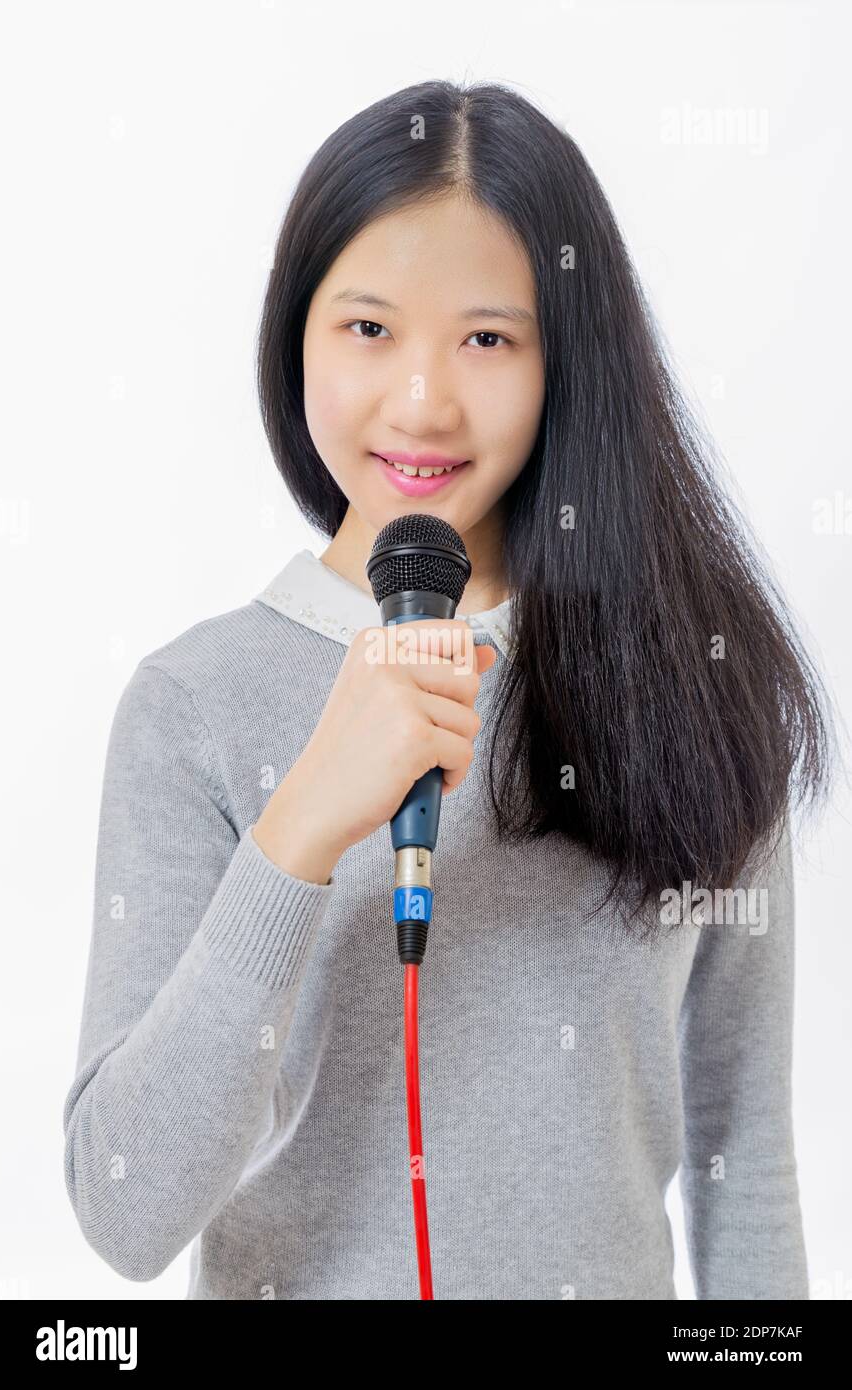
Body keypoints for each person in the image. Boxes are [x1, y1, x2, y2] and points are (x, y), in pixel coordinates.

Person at [63, 79, 831, 1300]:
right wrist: (302, 822)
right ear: (293, 336)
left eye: (486, 338)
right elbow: (123, 1205)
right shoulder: (191, 707)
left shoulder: (685, 681)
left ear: (562, 358)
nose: (421, 399)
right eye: (367, 329)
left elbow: (745, 1174)